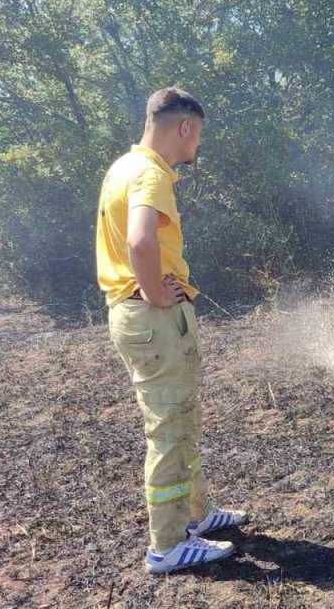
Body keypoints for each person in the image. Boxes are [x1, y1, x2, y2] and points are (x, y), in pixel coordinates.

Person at [95, 87, 248, 574]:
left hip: (146, 318)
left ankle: (197, 516)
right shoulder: (149, 174)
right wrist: (158, 294)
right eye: (197, 135)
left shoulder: (123, 165)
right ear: (184, 127)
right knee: (168, 429)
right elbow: (141, 241)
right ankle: (166, 545)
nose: (196, 146)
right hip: (152, 318)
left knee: (183, 418)